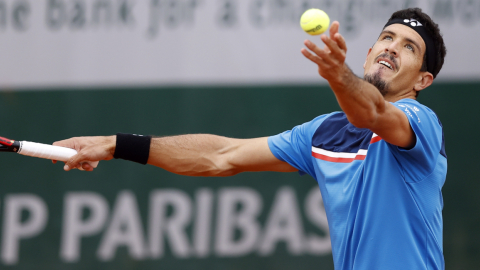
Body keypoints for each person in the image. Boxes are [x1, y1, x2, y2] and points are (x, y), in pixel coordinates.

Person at [53, 7, 447, 270]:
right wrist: (116, 144)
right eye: (387, 38)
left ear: (422, 80)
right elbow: (221, 156)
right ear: (369, 52)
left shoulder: (420, 123)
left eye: (409, 48)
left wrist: (337, 75)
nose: (392, 49)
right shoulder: (323, 133)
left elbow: (374, 113)